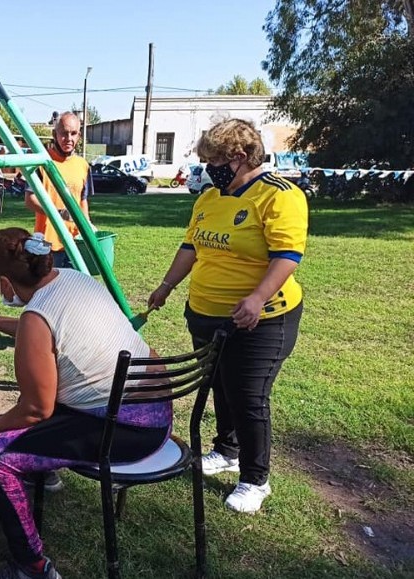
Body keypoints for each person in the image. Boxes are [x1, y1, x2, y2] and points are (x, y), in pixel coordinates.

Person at [0, 228, 172, 579]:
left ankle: (32, 567)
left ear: (5, 284)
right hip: (155, 410)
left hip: (127, 430)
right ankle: (45, 467)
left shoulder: (36, 318)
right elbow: (45, 329)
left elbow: (37, 409)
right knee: (37, 408)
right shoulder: (73, 279)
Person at [148, 118, 308, 514]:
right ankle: (227, 450)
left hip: (263, 318)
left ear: (238, 157)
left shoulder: (280, 195)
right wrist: (167, 286)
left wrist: (256, 298)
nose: (208, 168)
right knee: (219, 382)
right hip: (204, 313)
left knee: (249, 395)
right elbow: (191, 246)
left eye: (213, 160)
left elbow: (287, 255)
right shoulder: (210, 198)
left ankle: (255, 479)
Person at [24, 112, 94, 268]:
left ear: (79, 135)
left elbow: (83, 200)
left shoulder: (83, 165)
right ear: (54, 134)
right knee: (48, 290)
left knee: (75, 289)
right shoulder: (42, 162)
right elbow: (30, 200)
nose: (68, 138)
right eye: (64, 133)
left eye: (73, 133)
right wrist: (58, 213)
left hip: (75, 243)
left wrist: (88, 227)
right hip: (47, 244)